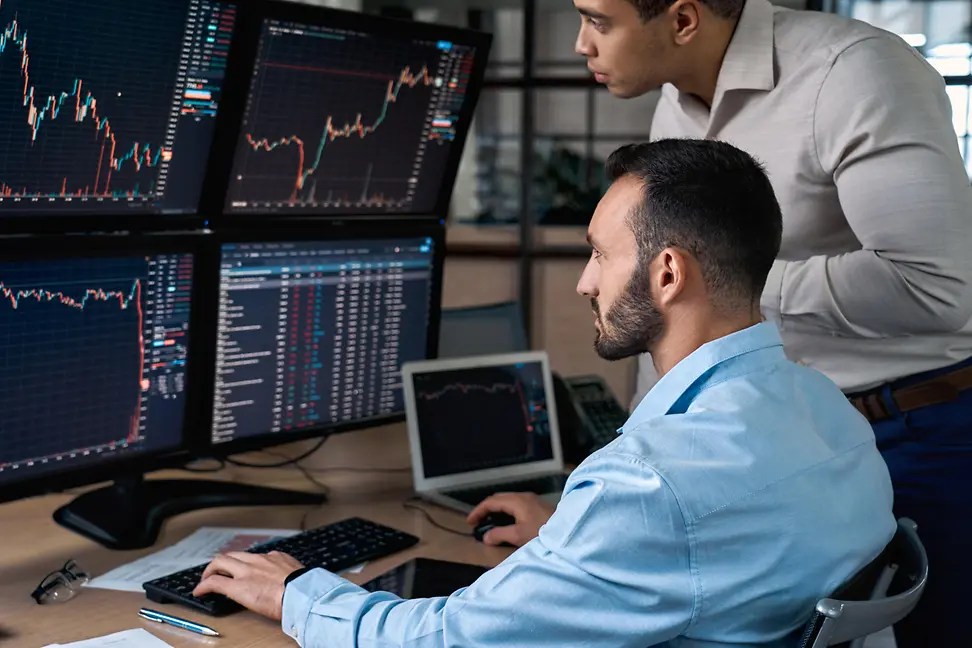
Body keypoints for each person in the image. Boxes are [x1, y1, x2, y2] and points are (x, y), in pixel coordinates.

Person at [193, 139, 897, 647]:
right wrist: (571, 532)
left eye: (599, 253)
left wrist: (296, 593)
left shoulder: (648, 484)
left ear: (668, 275)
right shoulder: (831, 414)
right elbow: (715, 547)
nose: (587, 281)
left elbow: (448, 641)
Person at [571, 0, 972, 644]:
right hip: (781, 446)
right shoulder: (675, 105)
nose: (580, 44)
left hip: (913, 429)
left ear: (681, 20)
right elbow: (679, 324)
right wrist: (606, 486)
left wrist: (733, 281)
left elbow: (938, 288)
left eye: (598, 21)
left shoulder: (854, 74)